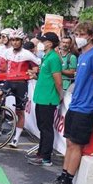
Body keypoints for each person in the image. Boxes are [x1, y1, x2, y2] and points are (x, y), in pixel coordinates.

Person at [43, 22, 93, 184]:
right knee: (70, 142)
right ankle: (63, 176)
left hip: (86, 108)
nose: (78, 37)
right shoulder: (82, 56)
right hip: (76, 105)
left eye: (82, 34)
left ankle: (68, 181)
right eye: (77, 33)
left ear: (91, 36)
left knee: (76, 145)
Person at [0, 29, 40, 148]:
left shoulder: (27, 54)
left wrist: (32, 71)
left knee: (20, 112)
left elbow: (37, 66)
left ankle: (16, 139)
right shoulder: (7, 52)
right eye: (13, 40)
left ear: (22, 41)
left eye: (17, 40)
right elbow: (2, 65)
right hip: (8, 81)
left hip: (21, 84)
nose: (15, 42)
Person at [28, 32, 62, 167]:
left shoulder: (53, 58)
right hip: (42, 97)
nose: (41, 43)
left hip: (48, 98)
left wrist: (60, 95)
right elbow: (46, 76)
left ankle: (46, 157)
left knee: (46, 128)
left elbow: (58, 80)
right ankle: (41, 154)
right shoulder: (47, 57)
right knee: (42, 127)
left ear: (50, 43)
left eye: (44, 40)